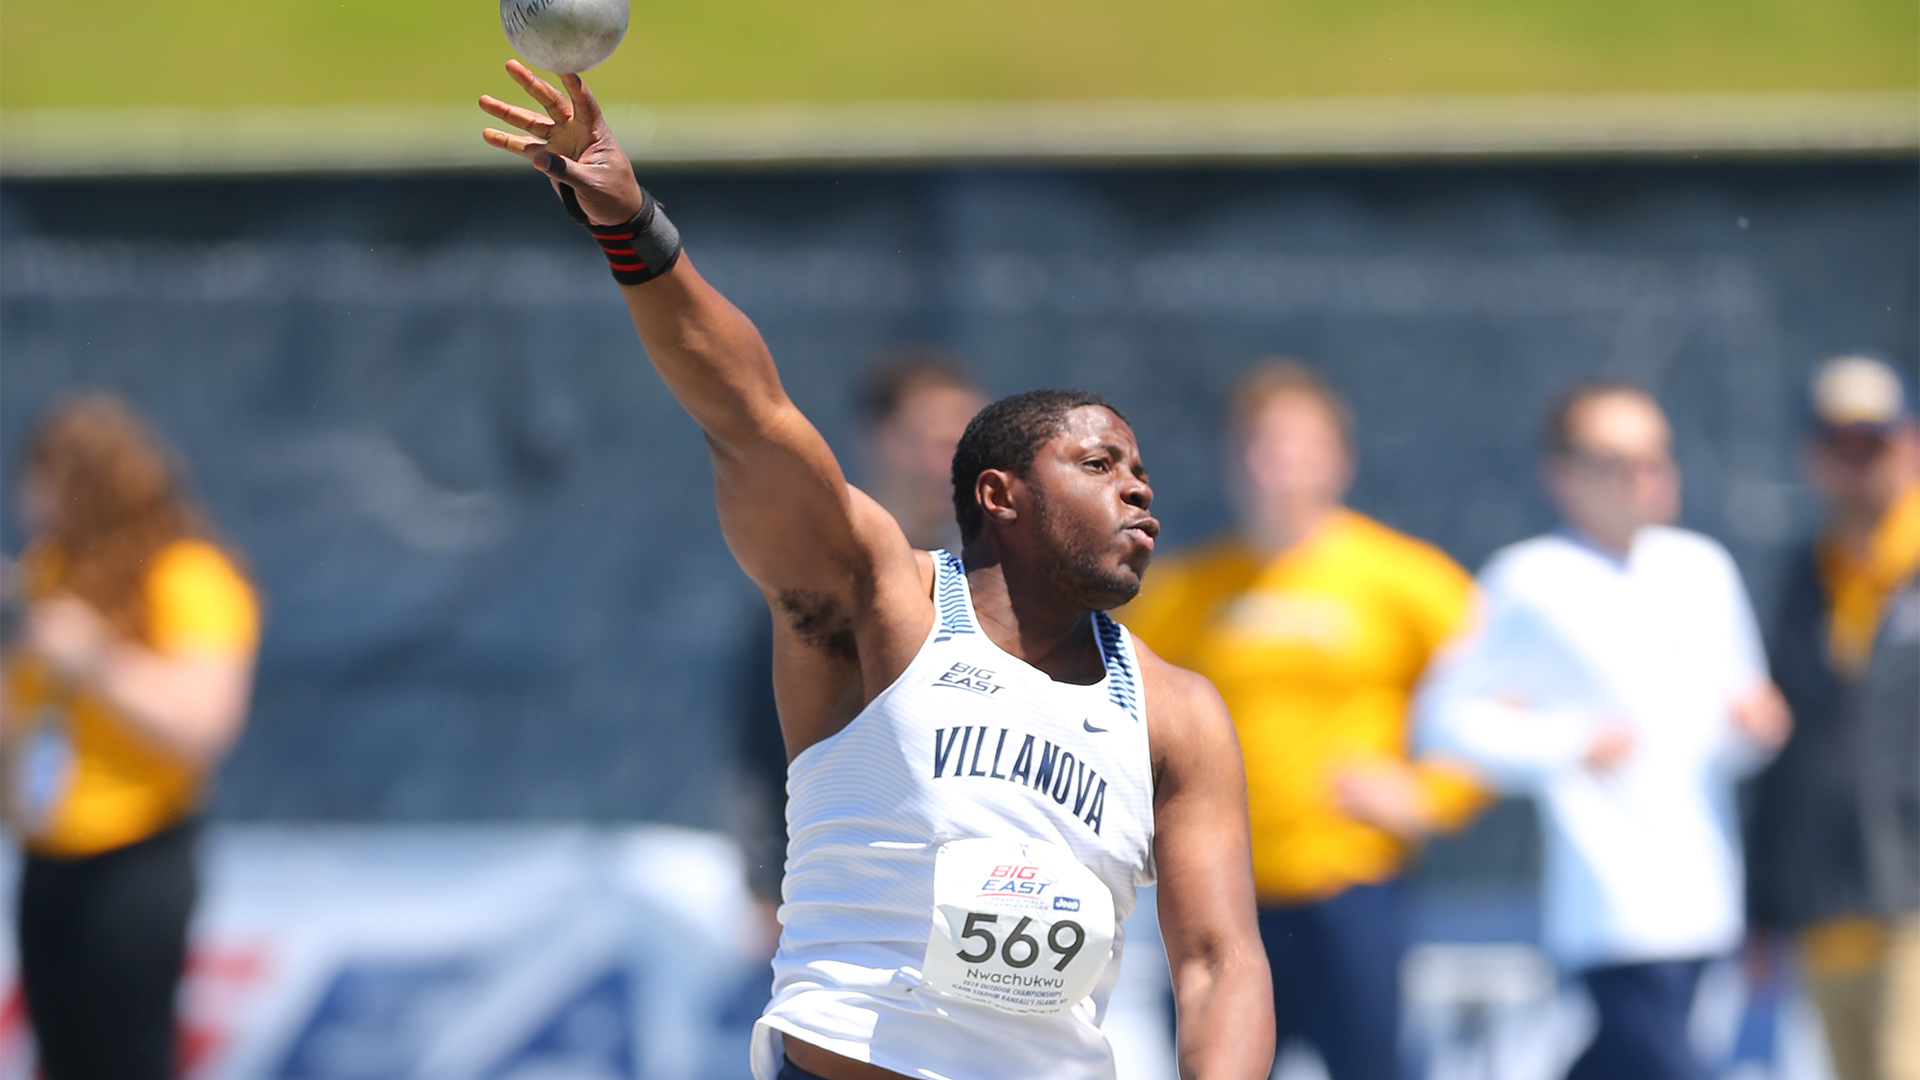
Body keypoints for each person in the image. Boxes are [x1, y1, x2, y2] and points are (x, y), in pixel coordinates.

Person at [478, 63, 1273, 1080]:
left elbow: (1219, 962)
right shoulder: (882, 604)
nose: (1139, 493)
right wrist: (634, 229)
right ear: (1000, 495)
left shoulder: (1176, 710)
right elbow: (751, 418)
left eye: (1145, 473)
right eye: (1100, 464)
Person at [1119, 361, 1488, 1080]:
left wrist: (1433, 793)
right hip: (1217, 895)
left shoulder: (1408, 580)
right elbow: (1112, 713)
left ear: (1339, 458)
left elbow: (1511, 702)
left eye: (1296, 444)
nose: (1275, 463)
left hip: (1350, 889)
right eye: (1258, 443)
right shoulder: (1180, 592)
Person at [1415, 382, 1791, 1080]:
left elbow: (1732, 739)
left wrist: (1756, 728)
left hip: (1706, 903)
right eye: (1621, 460)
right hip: (1610, 910)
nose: (1648, 475)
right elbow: (1440, 722)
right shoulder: (1529, 580)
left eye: (1658, 456)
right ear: (1564, 476)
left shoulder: (1703, 568)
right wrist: (1568, 741)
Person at [1, 394, 261, 1080]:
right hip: (47, 851)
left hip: (136, 854)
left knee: (128, 1059)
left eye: (43, 484)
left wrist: (94, 662)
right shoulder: (45, 574)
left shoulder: (187, 575)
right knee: (61, 1059)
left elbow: (204, 724)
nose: (31, 504)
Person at [1746, 355, 1920, 1080]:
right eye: (1839, 447)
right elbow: (1782, 752)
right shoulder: (1800, 577)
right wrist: (1762, 905)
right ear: (1810, 457)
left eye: (1873, 445)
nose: (1858, 466)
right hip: (1828, 911)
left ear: (1911, 444)